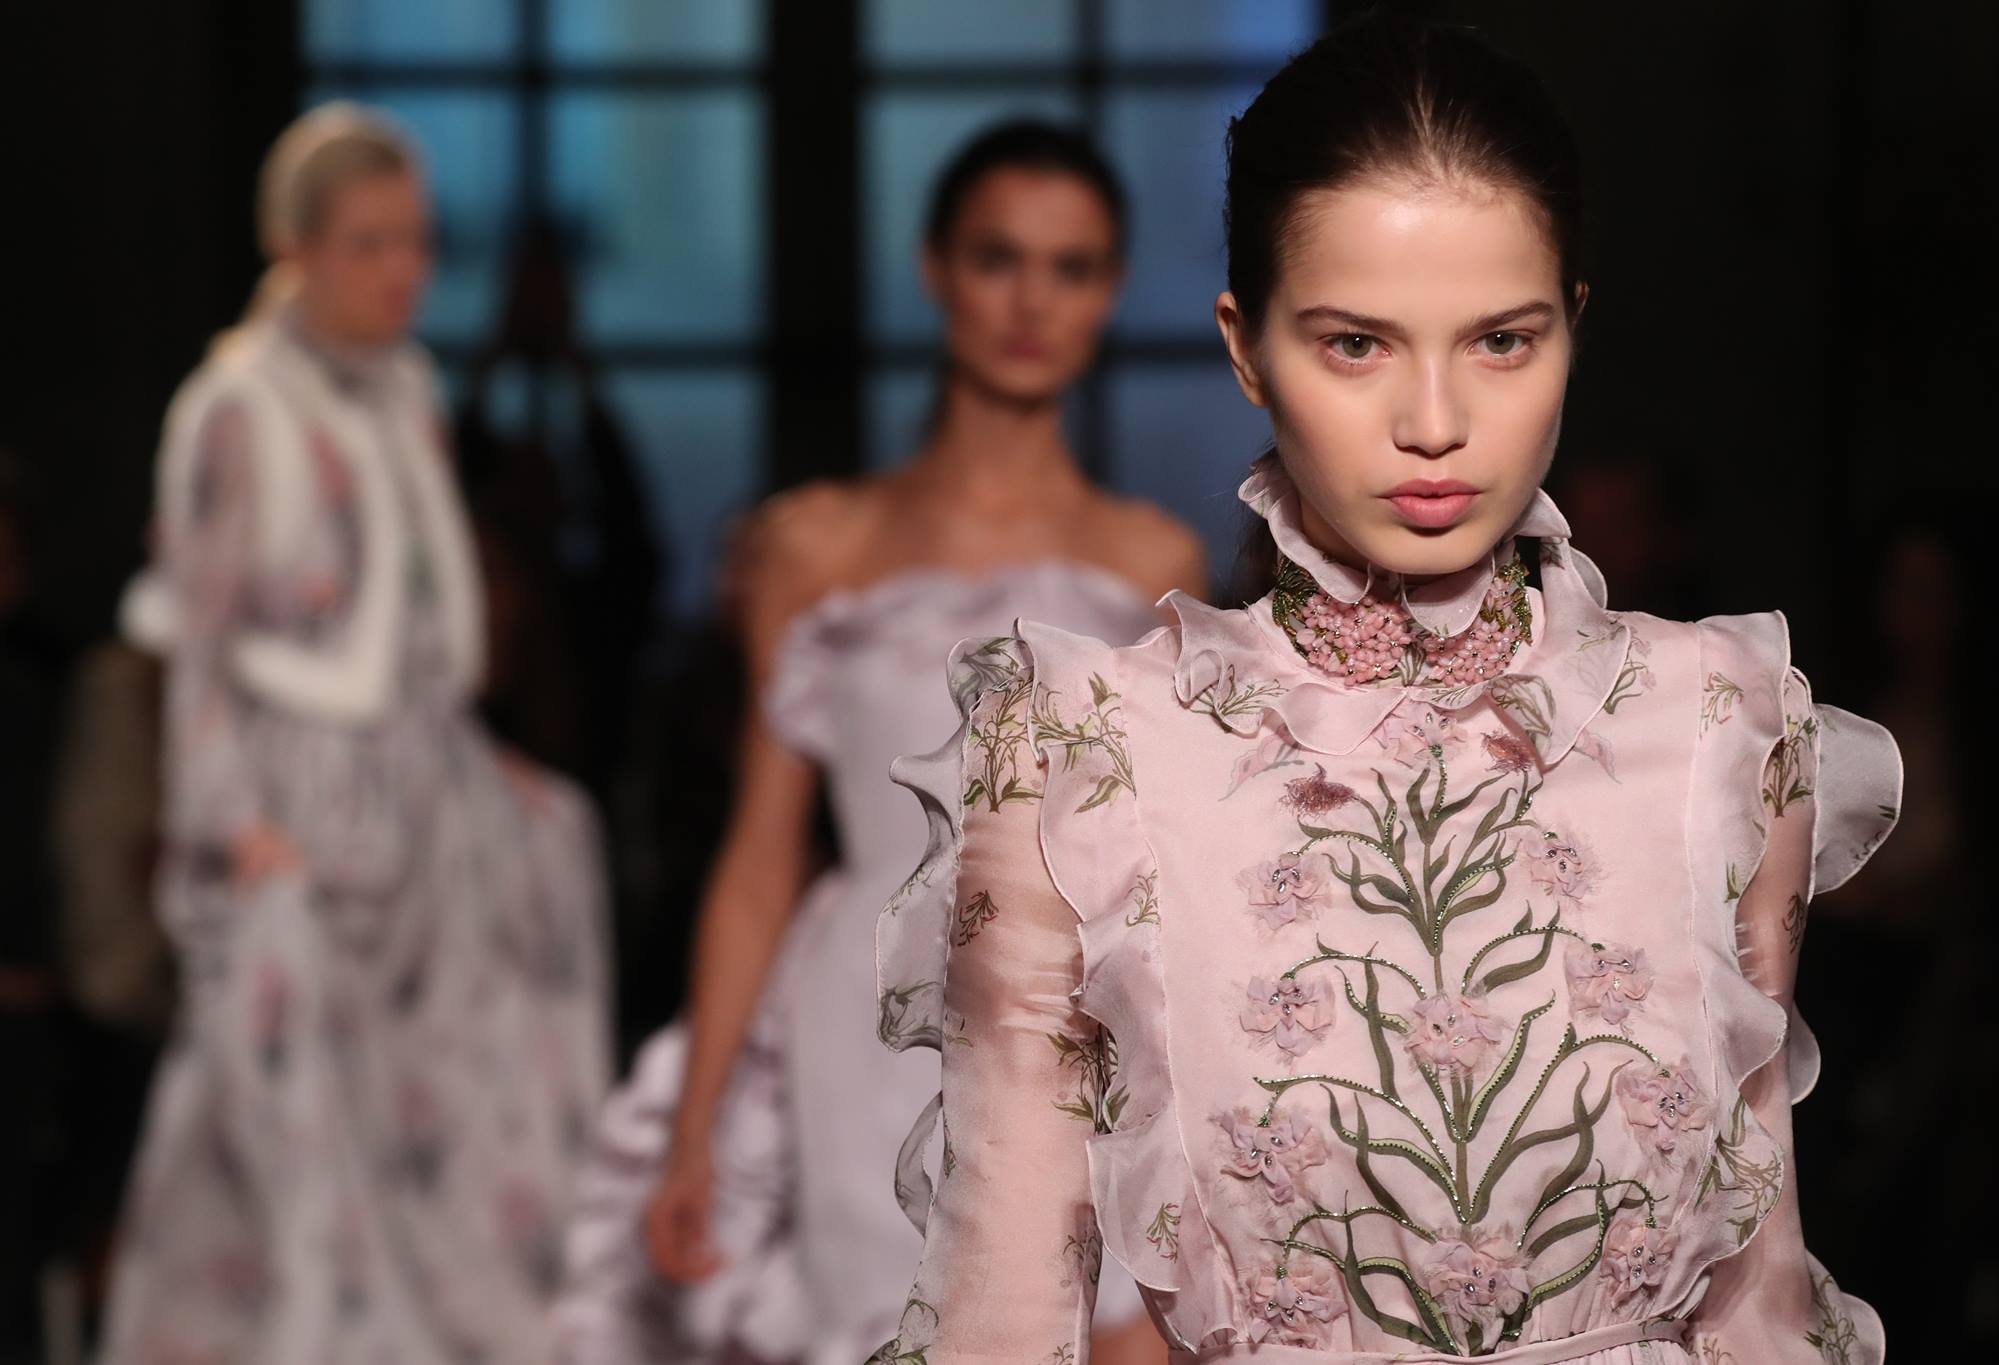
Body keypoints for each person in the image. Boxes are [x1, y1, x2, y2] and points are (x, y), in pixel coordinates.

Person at [871, 16, 1897, 1365]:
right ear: (1246, 347)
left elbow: (1757, 1298)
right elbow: (1002, 1325)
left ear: (1573, 328)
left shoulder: (1723, 722)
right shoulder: (1083, 752)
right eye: (1355, 343)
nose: (1433, 421)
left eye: (1501, 341)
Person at [552, 121, 1203, 1365]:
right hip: (859, 1019)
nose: (1030, 301)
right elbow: (758, 858)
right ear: (934, 270)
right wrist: (695, 1131)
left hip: (1070, 1013)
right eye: (996, 257)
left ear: (1108, 293)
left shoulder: (1150, 565)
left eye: (1070, 269)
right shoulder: (814, 549)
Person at [99, 103, 611, 1364]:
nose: (401, 272)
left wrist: (467, 750)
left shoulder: (406, 387)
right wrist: (233, 825)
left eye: (416, 242)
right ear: (297, 244)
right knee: (295, 1140)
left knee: (463, 1104)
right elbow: (201, 652)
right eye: (368, 243)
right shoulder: (232, 407)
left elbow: (421, 618)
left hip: (427, 798)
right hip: (301, 802)